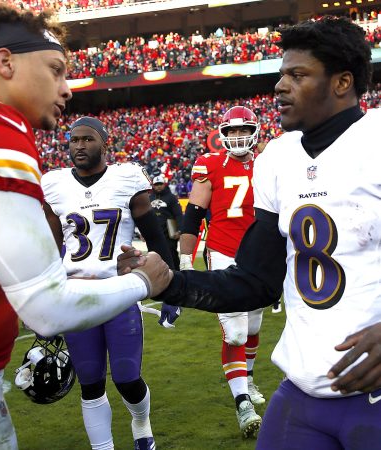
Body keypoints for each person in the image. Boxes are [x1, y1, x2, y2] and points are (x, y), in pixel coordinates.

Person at [120, 17, 381, 449]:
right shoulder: (279, 159)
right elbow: (256, 280)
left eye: (297, 75)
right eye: (281, 73)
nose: (280, 86)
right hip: (303, 389)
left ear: (342, 82)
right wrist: (172, 283)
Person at [0, 4, 170, 449]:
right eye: (56, 70)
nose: (66, 89)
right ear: (5, 63)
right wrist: (144, 281)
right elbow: (45, 306)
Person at [41, 117, 180, 450]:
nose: (79, 146)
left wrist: (172, 288)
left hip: (119, 292)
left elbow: (156, 236)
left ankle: (141, 422)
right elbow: (49, 247)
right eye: (74, 140)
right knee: (89, 383)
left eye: (87, 139)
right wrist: (46, 298)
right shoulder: (55, 184)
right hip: (77, 296)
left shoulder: (126, 178)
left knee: (127, 377)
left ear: (105, 143)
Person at [179, 106, 265, 438]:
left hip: (259, 254)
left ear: (255, 132)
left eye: (244, 129)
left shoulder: (269, 164)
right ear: (222, 134)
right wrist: (186, 259)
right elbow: (194, 213)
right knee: (237, 333)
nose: (238, 136)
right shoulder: (210, 164)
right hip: (224, 253)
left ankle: (250, 377)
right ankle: (243, 403)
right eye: (231, 131)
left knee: (254, 324)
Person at [150, 175, 184, 270]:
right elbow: (145, 217)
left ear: (164, 184)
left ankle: (176, 275)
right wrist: (142, 232)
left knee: (171, 255)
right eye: (156, 184)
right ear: (153, 185)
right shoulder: (149, 198)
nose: (158, 186)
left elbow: (178, 214)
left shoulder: (171, 198)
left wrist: (180, 230)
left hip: (169, 232)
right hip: (154, 233)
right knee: (153, 256)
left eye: (160, 184)